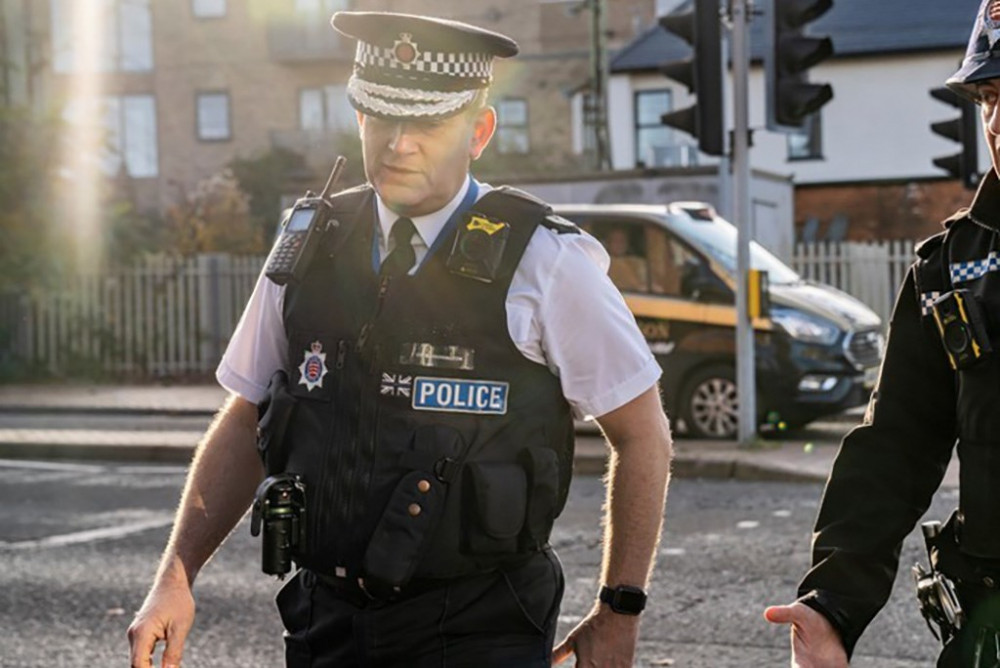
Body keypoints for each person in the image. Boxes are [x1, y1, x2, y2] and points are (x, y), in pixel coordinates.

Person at [127, 10, 672, 668]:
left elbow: (643, 434)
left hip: (480, 627)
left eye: (428, 123)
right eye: (382, 116)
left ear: (479, 131)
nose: (399, 144)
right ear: (359, 118)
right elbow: (246, 418)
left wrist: (620, 611)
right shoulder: (310, 244)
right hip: (324, 622)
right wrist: (175, 576)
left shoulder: (545, 261)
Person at [765, 2, 1000, 665]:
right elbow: (896, 444)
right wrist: (832, 603)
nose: (997, 123)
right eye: (988, 96)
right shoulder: (951, 269)